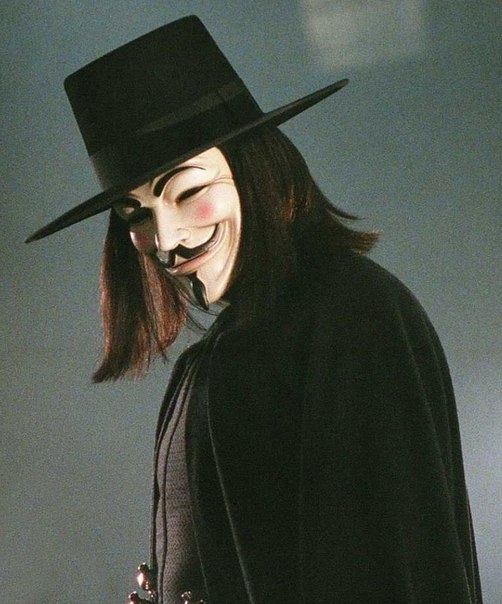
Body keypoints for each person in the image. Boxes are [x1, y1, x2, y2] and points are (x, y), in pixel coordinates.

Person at [26, 15, 483, 604]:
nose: (166, 240)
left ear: (253, 168)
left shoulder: (353, 317)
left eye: (189, 191)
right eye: (135, 214)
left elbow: (386, 568)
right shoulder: (223, 353)